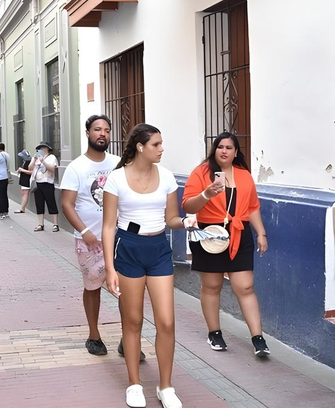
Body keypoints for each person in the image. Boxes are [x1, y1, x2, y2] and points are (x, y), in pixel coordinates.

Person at [102, 124, 191, 408]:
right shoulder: (116, 179)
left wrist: (186, 222)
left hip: (159, 250)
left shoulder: (166, 177)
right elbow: (107, 227)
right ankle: (134, 384)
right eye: (157, 144)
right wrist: (109, 268)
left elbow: (172, 219)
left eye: (162, 144)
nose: (162, 149)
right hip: (128, 248)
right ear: (141, 147)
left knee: (166, 321)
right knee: (133, 320)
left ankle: (165, 387)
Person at [181, 132, 269, 357]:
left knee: (245, 286)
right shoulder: (201, 173)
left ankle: (258, 337)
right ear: (214, 149)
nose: (224, 151)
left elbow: (253, 207)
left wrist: (261, 233)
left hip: (239, 232)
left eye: (229, 147)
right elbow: (188, 206)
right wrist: (206, 193)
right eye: (220, 147)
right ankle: (214, 332)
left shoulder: (244, 175)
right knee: (212, 286)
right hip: (211, 234)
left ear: (236, 152)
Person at [61, 115, 120, 356]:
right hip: (90, 241)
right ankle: (94, 335)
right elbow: (66, 204)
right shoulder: (77, 167)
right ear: (88, 133)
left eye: (106, 129)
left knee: (128, 288)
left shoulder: (118, 163)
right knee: (93, 286)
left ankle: (129, 339)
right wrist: (85, 233)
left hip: (120, 239)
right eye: (97, 129)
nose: (102, 134)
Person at [29, 141, 59, 232]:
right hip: (38, 183)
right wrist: (34, 159)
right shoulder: (37, 158)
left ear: (48, 149)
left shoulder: (52, 157)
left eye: (43, 147)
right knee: (39, 203)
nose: (41, 149)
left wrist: (43, 161)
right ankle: (40, 224)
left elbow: (52, 169)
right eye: (40, 148)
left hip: (47, 183)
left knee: (51, 202)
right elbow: (30, 168)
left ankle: (55, 224)